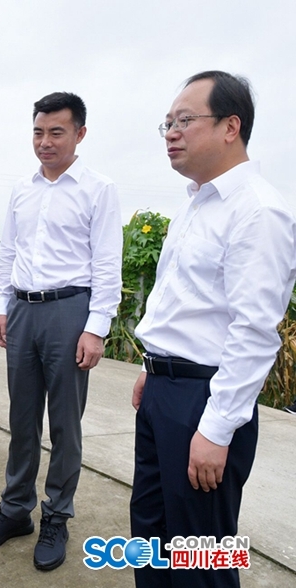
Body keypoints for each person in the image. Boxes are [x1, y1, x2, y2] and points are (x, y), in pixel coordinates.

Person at [131, 71, 296, 588]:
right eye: (167, 123)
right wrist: (149, 365)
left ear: (231, 126)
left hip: (204, 402)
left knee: (201, 559)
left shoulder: (258, 212)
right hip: (164, 391)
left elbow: (253, 332)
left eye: (184, 120)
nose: (171, 133)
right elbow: (182, 301)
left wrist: (216, 429)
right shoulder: (195, 203)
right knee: (151, 542)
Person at [0, 92, 122, 571]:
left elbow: (106, 264)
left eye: (56, 132)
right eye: (38, 131)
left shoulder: (98, 189)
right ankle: (16, 509)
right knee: (21, 418)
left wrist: (95, 328)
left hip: (69, 310)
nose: (45, 141)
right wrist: (1, 306)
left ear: (79, 134)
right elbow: (8, 252)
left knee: (64, 423)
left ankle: (57, 514)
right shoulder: (23, 189)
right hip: (23, 309)